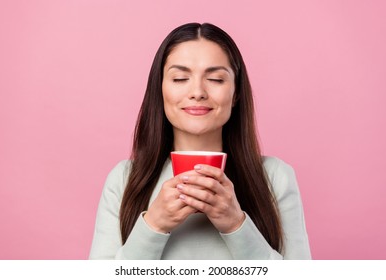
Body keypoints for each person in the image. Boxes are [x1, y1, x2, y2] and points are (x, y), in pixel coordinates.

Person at [89, 22, 311, 259]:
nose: (197, 92)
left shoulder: (275, 177)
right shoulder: (124, 180)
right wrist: (153, 226)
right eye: (180, 78)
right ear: (160, 89)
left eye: (215, 79)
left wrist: (236, 225)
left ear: (236, 93)